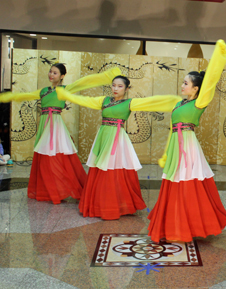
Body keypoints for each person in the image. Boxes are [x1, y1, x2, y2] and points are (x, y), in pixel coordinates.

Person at [56, 75, 182, 220]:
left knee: (113, 170)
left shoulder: (129, 103)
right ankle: (99, 204)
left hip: (117, 139)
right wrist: (66, 95)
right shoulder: (104, 101)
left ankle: (116, 205)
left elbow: (150, 102)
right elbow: (84, 100)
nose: (115, 88)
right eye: (113, 85)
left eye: (120, 86)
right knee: (101, 169)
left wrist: (172, 101)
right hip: (103, 137)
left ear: (127, 89)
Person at [0, 64, 121, 204]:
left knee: (55, 157)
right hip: (44, 125)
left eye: (55, 73)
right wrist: (11, 96)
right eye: (50, 72)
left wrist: (107, 76)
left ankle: (60, 190)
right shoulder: (44, 91)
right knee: (45, 158)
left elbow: (85, 82)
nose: (51, 75)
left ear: (62, 76)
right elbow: (27, 95)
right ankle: (48, 190)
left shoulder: (65, 89)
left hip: (55, 125)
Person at [147, 40, 226, 242]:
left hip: (188, 146)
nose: (182, 85)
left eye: (186, 83)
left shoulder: (199, 102)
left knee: (186, 182)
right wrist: (167, 153)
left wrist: (219, 56)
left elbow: (210, 81)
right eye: (183, 82)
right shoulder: (179, 103)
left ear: (195, 89)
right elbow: (172, 130)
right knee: (176, 181)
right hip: (178, 144)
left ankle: (187, 225)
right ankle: (173, 223)